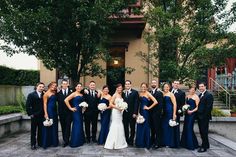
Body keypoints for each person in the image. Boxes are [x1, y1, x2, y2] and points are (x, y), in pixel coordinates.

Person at [104, 84, 128, 149]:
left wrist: (123, 107)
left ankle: (120, 142)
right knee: (115, 125)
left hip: (120, 113)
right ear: (116, 88)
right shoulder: (114, 95)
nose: (120, 89)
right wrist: (118, 108)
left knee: (120, 124)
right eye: (118, 88)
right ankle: (113, 142)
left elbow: (121, 104)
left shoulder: (121, 95)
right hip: (115, 112)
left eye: (121, 88)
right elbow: (110, 104)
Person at [135, 83, 157, 149]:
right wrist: (138, 113)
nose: (143, 88)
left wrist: (149, 107)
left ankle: (146, 143)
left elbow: (155, 102)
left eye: (144, 87)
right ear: (141, 87)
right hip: (141, 112)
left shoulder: (148, 94)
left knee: (146, 127)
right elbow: (139, 104)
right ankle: (139, 143)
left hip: (146, 112)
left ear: (147, 88)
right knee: (140, 126)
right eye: (142, 87)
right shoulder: (140, 94)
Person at [64, 83, 85, 147]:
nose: (79, 87)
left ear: (81, 88)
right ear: (75, 87)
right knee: (77, 125)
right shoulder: (73, 93)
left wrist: (84, 107)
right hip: (75, 111)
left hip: (80, 112)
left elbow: (82, 103)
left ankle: (80, 140)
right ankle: (75, 142)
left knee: (80, 125)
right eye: (78, 86)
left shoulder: (81, 94)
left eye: (80, 86)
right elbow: (66, 100)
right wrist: (70, 108)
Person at [26, 82, 45, 150]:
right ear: (36, 87)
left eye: (42, 87)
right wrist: (31, 114)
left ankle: (40, 142)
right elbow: (28, 106)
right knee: (33, 131)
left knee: (41, 130)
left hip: (42, 116)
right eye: (40, 86)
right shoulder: (31, 95)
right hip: (34, 116)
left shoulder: (44, 94)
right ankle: (33, 144)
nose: (41, 88)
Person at [180, 84, 199, 150]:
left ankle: (191, 145)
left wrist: (192, 111)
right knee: (185, 127)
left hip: (192, 114)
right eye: (191, 89)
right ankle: (185, 143)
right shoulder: (187, 96)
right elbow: (186, 104)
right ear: (189, 89)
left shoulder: (196, 97)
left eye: (194, 90)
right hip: (187, 114)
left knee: (189, 128)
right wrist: (186, 109)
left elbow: (197, 107)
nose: (193, 91)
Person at [197, 82, 213, 153]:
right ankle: (206, 144)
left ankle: (204, 147)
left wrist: (203, 117)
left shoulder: (209, 95)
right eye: (200, 87)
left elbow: (209, 108)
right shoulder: (200, 94)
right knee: (201, 131)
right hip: (200, 117)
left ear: (205, 87)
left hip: (204, 117)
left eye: (202, 86)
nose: (201, 88)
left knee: (204, 131)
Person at [42, 82, 59, 149]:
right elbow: (45, 104)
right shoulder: (46, 94)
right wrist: (46, 114)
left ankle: (54, 142)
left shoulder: (54, 92)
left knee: (54, 126)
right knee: (49, 125)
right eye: (53, 85)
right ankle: (47, 142)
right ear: (49, 86)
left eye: (55, 86)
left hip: (54, 111)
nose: (54, 87)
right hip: (49, 111)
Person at [162, 83, 179, 148]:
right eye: (164, 87)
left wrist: (174, 114)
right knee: (164, 127)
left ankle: (169, 142)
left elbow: (175, 104)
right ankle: (164, 141)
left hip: (169, 111)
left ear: (169, 88)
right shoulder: (162, 94)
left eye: (167, 87)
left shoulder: (171, 94)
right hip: (164, 113)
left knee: (169, 127)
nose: (166, 88)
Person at [122, 80, 139, 146]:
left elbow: (136, 103)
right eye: (126, 84)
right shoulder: (123, 93)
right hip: (125, 114)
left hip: (132, 113)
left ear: (130, 85)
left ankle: (131, 140)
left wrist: (135, 113)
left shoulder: (135, 92)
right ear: (125, 85)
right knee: (125, 127)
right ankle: (126, 139)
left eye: (128, 84)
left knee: (132, 127)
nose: (127, 85)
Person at [57, 79, 73, 147]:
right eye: (63, 84)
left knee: (68, 126)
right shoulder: (58, 93)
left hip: (69, 113)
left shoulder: (71, 92)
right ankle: (65, 139)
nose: (65, 85)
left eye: (66, 83)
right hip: (61, 113)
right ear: (61, 85)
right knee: (63, 126)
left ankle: (66, 140)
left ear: (68, 84)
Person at [170, 80, 185, 147]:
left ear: (179, 85)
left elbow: (182, 104)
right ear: (172, 84)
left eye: (177, 84)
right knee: (168, 127)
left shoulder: (181, 93)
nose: (176, 84)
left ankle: (176, 143)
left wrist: (179, 111)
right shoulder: (168, 90)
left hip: (176, 113)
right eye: (175, 83)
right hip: (168, 112)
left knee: (175, 127)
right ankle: (169, 141)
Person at [149, 80, 163, 149]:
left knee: (157, 129)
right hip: (150, 114)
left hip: (156, 114)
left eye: (154, 83)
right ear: (151, 84)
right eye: (152, 83)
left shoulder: (159, 93)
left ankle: (158, 143)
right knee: (152, 128)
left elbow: (160, 105)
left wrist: (158, 114)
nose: (153, 84)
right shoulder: (150, 92)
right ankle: (152, 141)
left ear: (156, 84)